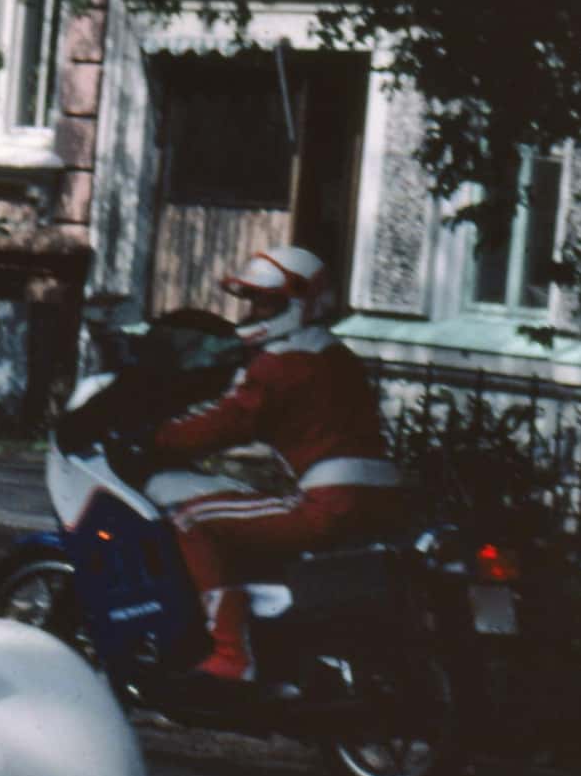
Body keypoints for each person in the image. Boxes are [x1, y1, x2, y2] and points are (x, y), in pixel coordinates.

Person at [146, 245, 402, 683]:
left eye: (266, 302)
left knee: (193, 520)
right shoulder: (334, 354)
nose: (254, 312)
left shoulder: (281, 362)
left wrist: (157, 435)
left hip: (329, 499)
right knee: (250, 516)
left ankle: (229, 652)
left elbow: (229, 421)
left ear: (297, 303)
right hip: (384, 495)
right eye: (253, 302)